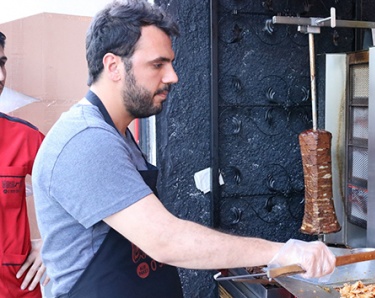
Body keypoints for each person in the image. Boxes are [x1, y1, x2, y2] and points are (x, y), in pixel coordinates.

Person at [31, 1, 336, 297]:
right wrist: (280, 251)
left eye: (170, 63)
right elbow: (165, 240)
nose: (172, 76)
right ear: (113, 66)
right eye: (157, 64)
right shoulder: (86, 140)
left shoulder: (118, 135)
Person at [0, 31, 48, 297]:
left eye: (2, 63)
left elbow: (82, 191)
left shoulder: (25, 138)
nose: (1, 77)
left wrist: (53, 242)